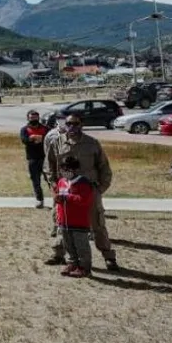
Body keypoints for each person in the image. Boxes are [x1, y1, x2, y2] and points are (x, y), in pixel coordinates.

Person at [45, 116, 119, 271]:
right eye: (69, 124)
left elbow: (104, 168)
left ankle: (109, 257)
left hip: (88, 191)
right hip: (64, 190)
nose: (72, 127)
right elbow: (50, 166)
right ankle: (59, 254)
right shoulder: (57, 142)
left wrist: (99, 189)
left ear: (82, 125)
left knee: (97, 224)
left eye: (75, 124)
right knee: (61, 224)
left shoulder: (92, 143)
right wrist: (54, 186)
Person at [54, 154, 95, 278]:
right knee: (68, 244)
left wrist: (67, 198)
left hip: (78, 221)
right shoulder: (61, 182)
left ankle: (84, 267)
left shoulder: (83, 183)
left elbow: (84, 200)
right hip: (64, 221)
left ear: (75, 169)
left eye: (68, 169)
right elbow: (58, 195)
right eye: (63, 169)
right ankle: (72, 263)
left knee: (81, 246)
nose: (64, 172)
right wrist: (58, 200)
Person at [20, 110, 49, 208]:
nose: (34, 119)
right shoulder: (24, 129)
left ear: (38, 118)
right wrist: (36, 139)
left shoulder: (45, 128)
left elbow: (48, 140)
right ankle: (40, 200)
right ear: (28, 118)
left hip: (45, 159)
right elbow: (25, 140)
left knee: (50, 179)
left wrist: (34, 138)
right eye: (31, 118)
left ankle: (57, 198)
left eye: (35, 118)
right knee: (36, 181)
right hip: (32, 159)